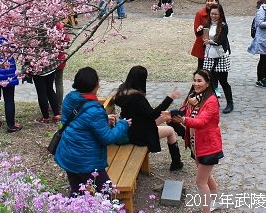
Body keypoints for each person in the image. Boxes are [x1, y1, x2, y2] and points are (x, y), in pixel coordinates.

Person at [55, 67, 131, 197]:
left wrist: (103, 119)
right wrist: (123, 125)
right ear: (95, 85)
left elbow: (74, 121)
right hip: (85, 159)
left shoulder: (70, 98)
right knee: (105, 192)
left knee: (77, 191)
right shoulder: (94, 110)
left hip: (68, 152)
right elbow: (107, 138)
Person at [171, 69, 223, 213]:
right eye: (194, 80)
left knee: (200, 182)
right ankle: (216, 201)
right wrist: (187, 106)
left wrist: (183, 120)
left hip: (208, 146)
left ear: (207, 83)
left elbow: (201, 122)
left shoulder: (211, 101)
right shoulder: (196, 98)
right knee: (206, 177)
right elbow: (185, 112)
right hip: (197, 145)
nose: (196, 83)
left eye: (199, 81)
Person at [112, 66, 184, 171]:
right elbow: (153, 114)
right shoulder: (137, 99)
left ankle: (185, 135)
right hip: (136, 133)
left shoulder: (122, 90)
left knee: (167, 115)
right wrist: (170, 98)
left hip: (131, 125)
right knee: (170, 131)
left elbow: (148, 114)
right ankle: (176, 163)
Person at [202, 4, 234, 114]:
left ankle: (230, 103)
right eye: (212, 14)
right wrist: (199, 30)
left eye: (216, 14)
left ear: (220, 14)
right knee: (210, 81)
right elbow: (202, 37)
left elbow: (221, 40)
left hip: (220, 56)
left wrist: (210, 42)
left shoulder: (223, 26)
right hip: (209, 56)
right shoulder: (207, 24)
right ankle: (213, 104)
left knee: (223, 81)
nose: (214, 16)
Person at [191, 0, 221, 70]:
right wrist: (207, 42)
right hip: (203, 46)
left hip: (216, 45)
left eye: (212, 1)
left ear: (216, 2)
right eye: (208, 1)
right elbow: (197, 32)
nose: (209, 3)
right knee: (202, 69)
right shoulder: (200, 14)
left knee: (216, 69)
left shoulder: (220, 13)